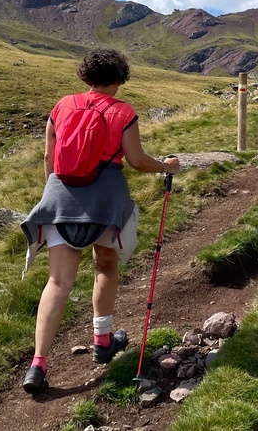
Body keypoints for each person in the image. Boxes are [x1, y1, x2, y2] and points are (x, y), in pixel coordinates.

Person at [19, 49, 181, 393]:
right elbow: (136, 161)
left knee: (58, 283)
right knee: (105, 265)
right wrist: (165, 166)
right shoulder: (123, 112)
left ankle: (37, 365)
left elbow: (49, 156)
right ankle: (102, 339)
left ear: (85, 75)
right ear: (120, 79)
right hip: (107, 200)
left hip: (60, 197)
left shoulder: (62, 106)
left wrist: (57, 190)